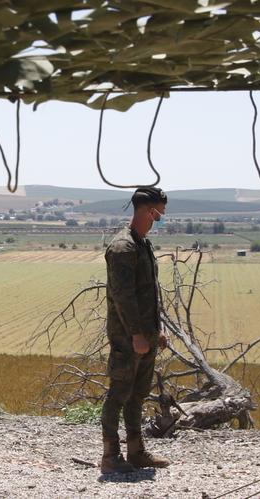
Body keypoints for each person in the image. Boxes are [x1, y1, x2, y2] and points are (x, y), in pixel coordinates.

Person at [99, 186, 171, 473]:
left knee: (137, 395)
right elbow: (123, 296)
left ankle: (136, 452)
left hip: (146, 335)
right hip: (127, 338)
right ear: (145, 211)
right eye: (158, 215)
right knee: (118, 394)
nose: (159, 220)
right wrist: (137, 335)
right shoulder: (122, 247)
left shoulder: (142, 244)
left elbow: (148, 294)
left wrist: (156, 331)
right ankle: (110, 456)